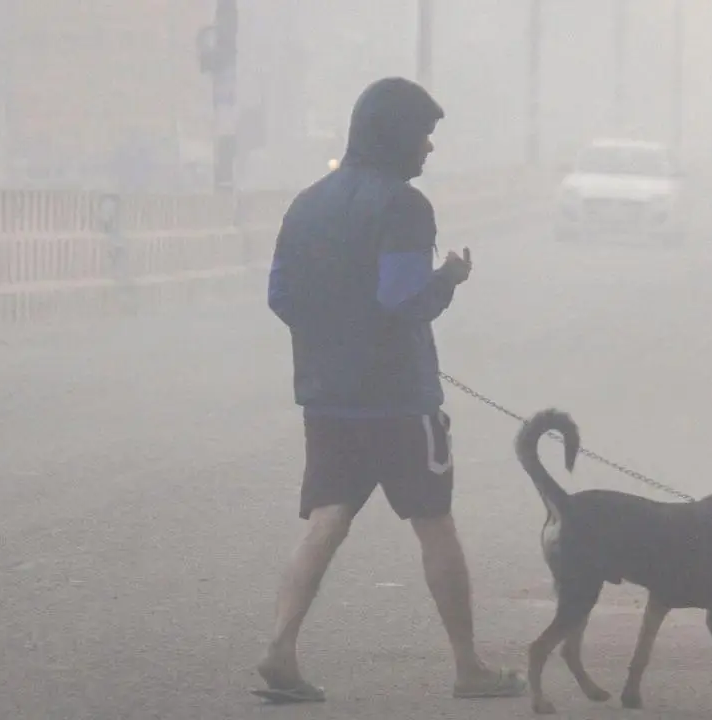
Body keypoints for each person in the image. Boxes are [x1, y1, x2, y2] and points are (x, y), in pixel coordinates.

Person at [257, 77, 527, 703]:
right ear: (396, 133)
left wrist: (337, 338)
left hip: (326, 394)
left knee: (326, 519)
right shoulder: (405, 207)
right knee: (435, 523)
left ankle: (279, 646)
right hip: (400, 400)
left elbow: (280, 296)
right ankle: (469, 666)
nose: (430, 148)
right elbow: (403, 299)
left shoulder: (307, 203)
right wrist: (450, 278)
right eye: (424, 134)